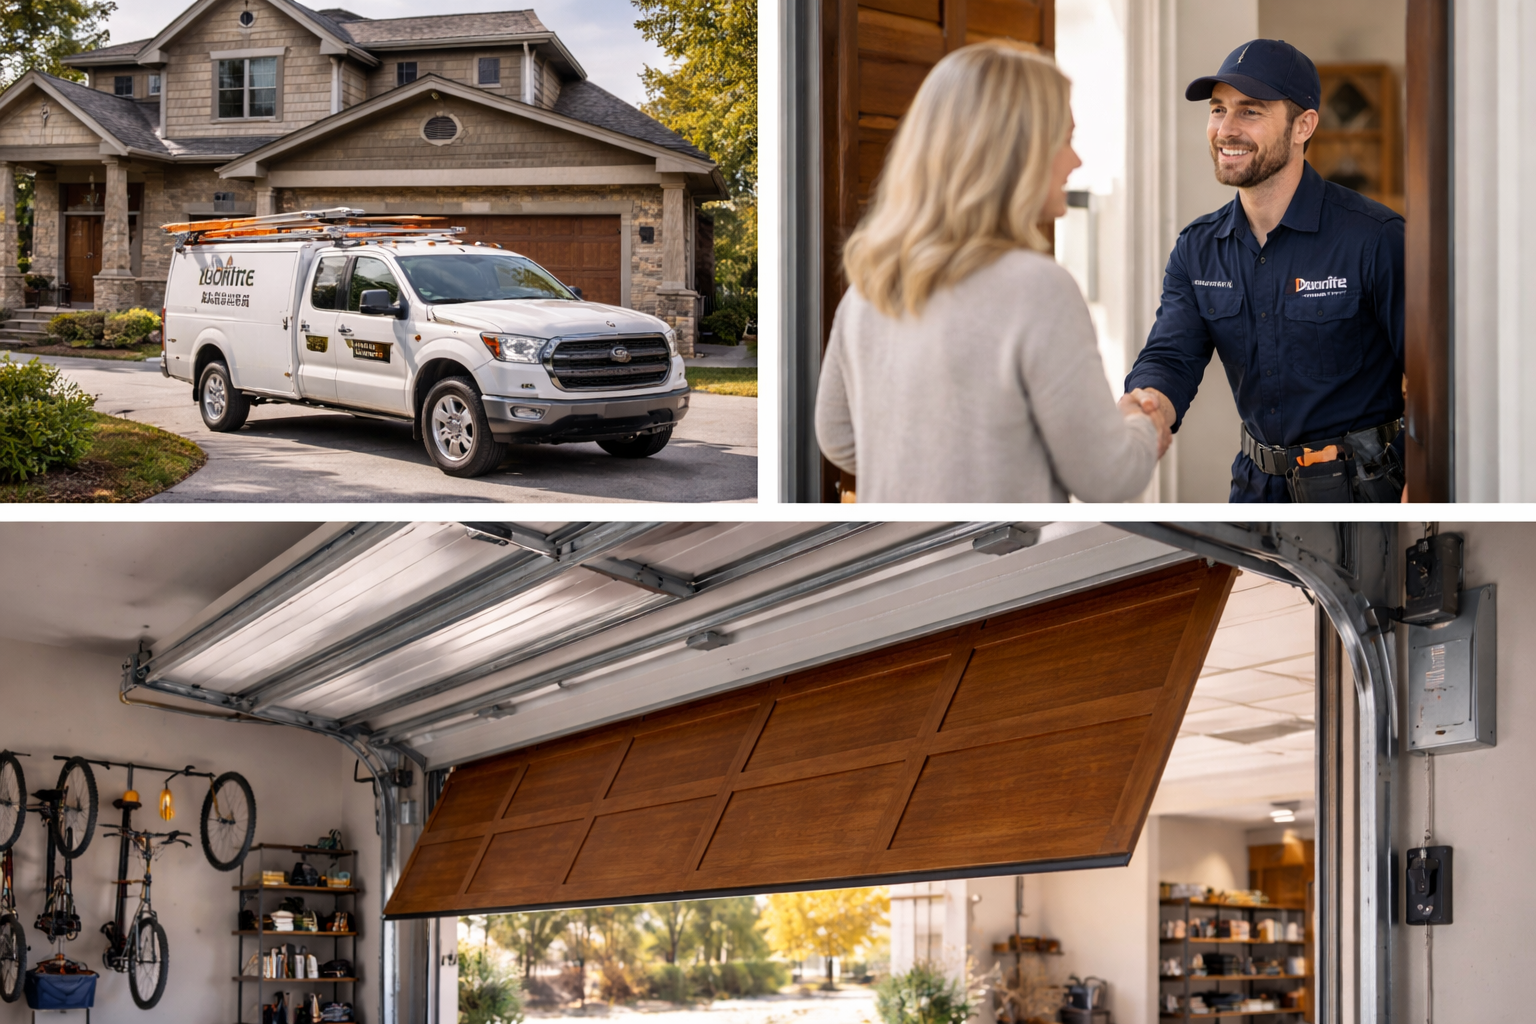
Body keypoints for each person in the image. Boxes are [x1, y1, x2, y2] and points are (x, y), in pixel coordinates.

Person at [814, 41, 1170, 503]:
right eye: (1064, 139)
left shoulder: (868, 290)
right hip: (1020, 567)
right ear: (1014, 151)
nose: (1075, 161)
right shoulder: (1037, 289)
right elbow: (1107, 478)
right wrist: (1142, 425)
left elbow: (839, 438)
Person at [1123, 39, 1405, 502]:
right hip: (1255, 491)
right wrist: (1146, 406)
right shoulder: (1198, 249)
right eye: (1218, 110)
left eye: (1250, 112)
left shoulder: (1375, 238)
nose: (1226, 130)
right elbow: (1172, 356)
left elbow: (1437, 388)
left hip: (1367, 493)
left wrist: (1426, 487)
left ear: (1303, 126)